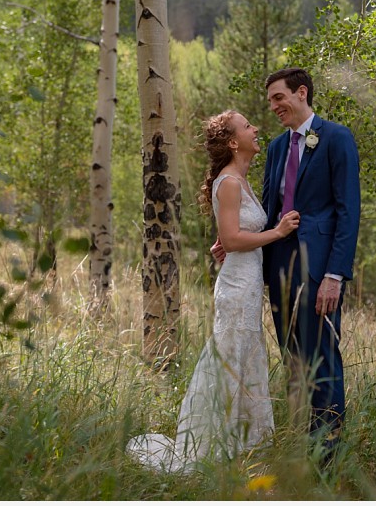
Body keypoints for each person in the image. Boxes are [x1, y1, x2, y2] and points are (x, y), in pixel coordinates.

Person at [126, 110, 300, 474]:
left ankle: (244, 442)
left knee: (244, 358)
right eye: (248, 125)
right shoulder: (231, 182)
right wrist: (278, 232)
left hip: (247, 283)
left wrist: (232, 241)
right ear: (234, 142)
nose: (256, 129)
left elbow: (231, 234)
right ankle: (215, 443)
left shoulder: (241, 179)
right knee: (230, 360)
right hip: (237, 287)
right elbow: (236, 239)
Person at [215, 67, 360, 457]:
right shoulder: (277, 148)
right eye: (269, 101)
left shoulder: (336, 138)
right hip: (278, 270)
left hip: (319, 271)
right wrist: (230, 241)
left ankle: (326, 454)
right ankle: (300, 447)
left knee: (323, 359)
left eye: (278, 97)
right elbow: (266, 211)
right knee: (293, 360)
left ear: (301, 93)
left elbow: (349, 211)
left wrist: (335, 274)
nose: (273, 106)